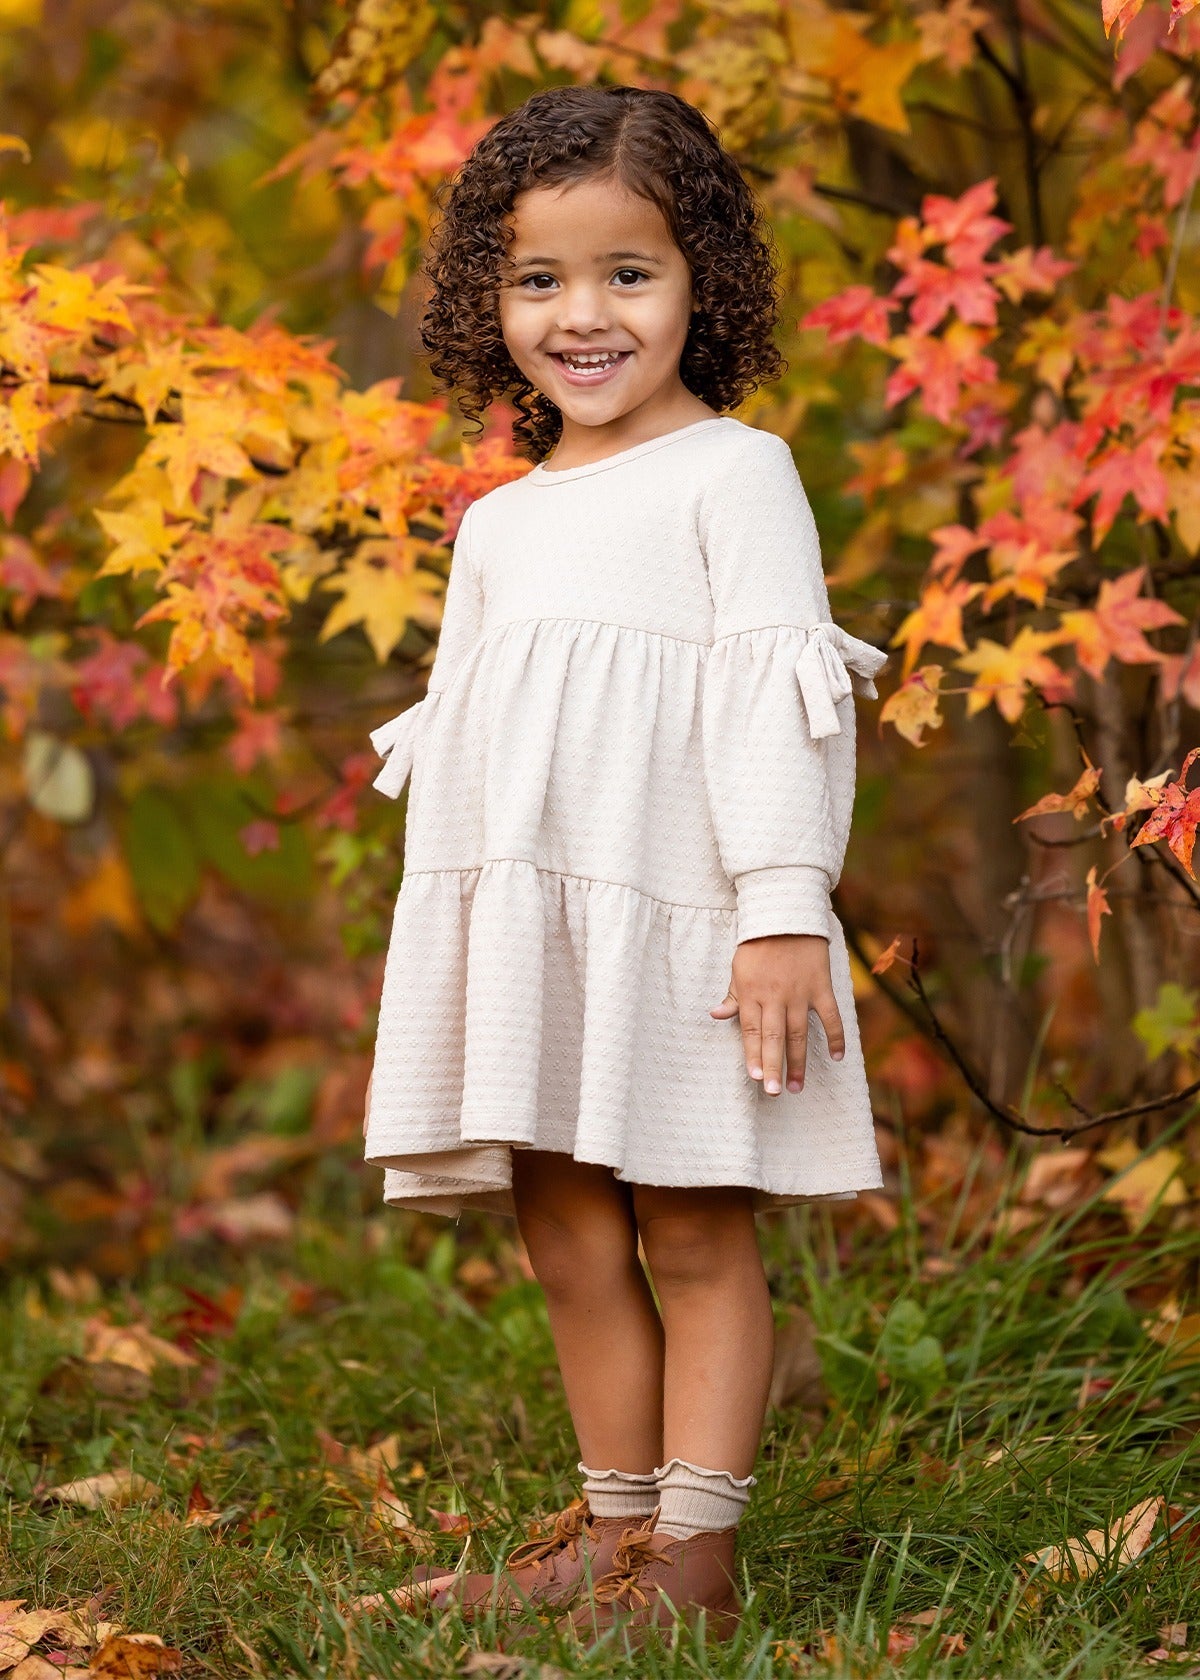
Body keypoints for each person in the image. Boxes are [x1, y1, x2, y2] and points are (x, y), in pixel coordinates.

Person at [361, 82, 888, 1646]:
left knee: (693, 1223)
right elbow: (465, 742)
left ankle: (699, 1563)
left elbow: (780, 699)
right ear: (489, 300)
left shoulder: (737, 474)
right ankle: (612, 1529)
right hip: (534, 929)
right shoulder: (497, 526)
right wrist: (458, 965)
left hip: (691, 923)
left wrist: (784, 913)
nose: (581, 316)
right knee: (566, 1223)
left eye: (627, 275)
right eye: (539, 281)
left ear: (700, 283)